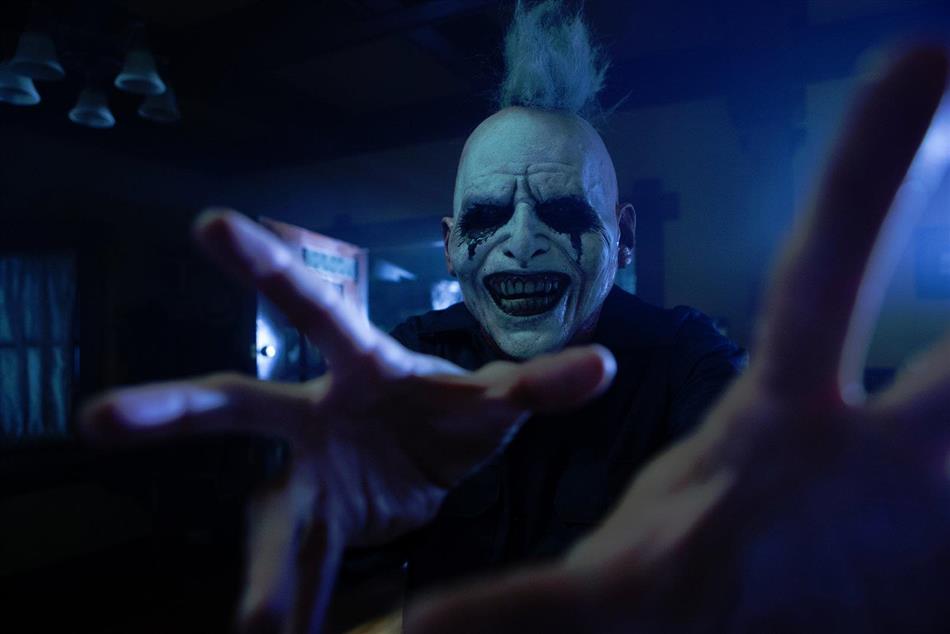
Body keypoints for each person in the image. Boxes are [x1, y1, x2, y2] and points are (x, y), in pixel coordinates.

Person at [81, 1, 950, 633]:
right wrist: (329, 520)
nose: (524, 244)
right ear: (451, 246)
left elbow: (747, 479)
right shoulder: (412, 363)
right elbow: (335, 559)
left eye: (564, 213)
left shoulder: (682, 359)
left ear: (623, 235)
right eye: (490, 218)